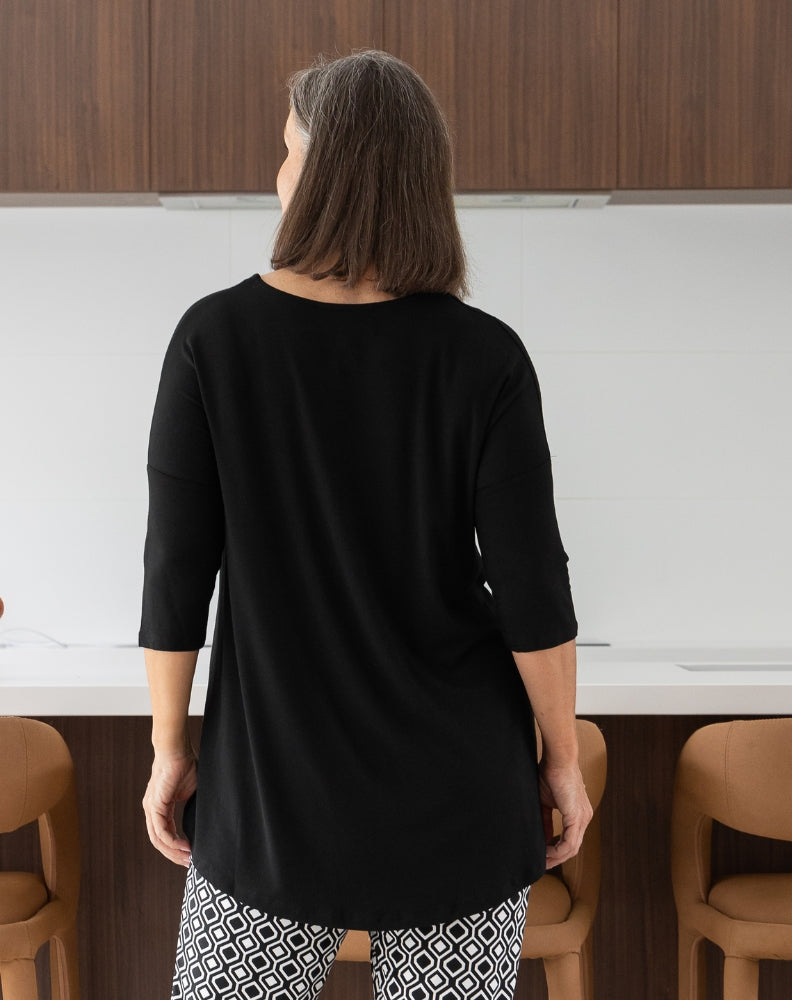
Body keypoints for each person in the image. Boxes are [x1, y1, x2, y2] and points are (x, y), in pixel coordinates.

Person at [140, 48, 592, 1000]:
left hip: (270, 790)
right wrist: (560, 759)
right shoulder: (485, 356)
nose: (278, 175)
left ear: (333, 177)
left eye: (290, 153)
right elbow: (533, 590)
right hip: (458, 787)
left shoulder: (213, 340)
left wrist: (171, 750)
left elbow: (177, 578)